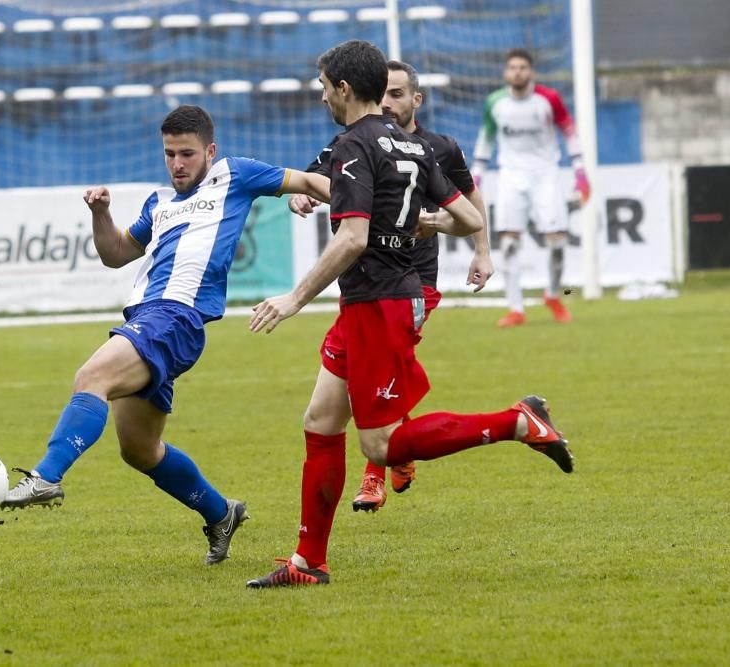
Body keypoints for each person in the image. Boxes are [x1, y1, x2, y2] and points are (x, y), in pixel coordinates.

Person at [245, 40, 573, 588]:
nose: (323, 97)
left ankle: (518, 421)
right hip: (372, 300)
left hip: (380, 302)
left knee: (382, 444)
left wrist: (293, 298)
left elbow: (351, 238)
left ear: (344, 89)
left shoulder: (354, 146)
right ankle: (308, 562)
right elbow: (468, 217)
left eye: (325, 88)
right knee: (321, 422)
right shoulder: (410, 145)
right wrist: (428, 225)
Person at [1, 105, 332, 567]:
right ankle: (221, 513)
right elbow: (116, 254)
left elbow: (311, 182)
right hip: (150, 317)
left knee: (91, 376)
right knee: (139, 450)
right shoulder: (158, 204)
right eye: (170, 154)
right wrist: (101, 213)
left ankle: (46, 476)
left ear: (210, 152)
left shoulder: (235, 174)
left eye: (188, 154)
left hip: (175, 318)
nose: (178, 164)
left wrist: (354, 205)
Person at [288, 60, 494, 514]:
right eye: (385, 93)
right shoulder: (352, 144)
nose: (389, 102)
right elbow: (320, 176)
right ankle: (312, 553)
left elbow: (471, 203)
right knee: (326, 415)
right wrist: (304, 191)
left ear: (416, 99)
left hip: (407, 286)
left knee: (369, 410)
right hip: (365, 291)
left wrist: (476, 247)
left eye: (398, 94)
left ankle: (377, 471)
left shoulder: (435, 148)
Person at [472, 48, 590, 328]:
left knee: (558, 243)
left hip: (546, 176)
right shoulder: (495, 103)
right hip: (511, 177)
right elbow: (486, 140)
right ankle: (516, 308)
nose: (518, 72)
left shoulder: (548, 99)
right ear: (506, 73)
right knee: (510, 243)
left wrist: (581, 172)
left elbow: (570, 133)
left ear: (531, 72)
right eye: (513, 67)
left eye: (523, 67)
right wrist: (476, 176)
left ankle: (553, 294)